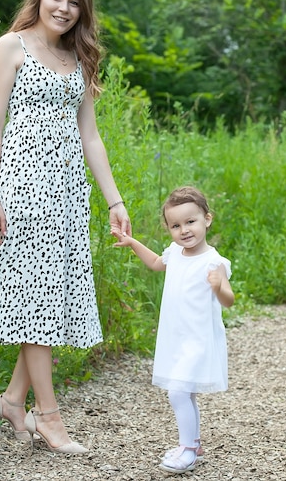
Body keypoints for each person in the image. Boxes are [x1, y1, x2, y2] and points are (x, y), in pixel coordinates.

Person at [0, 0, 131, 454]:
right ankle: (50, 418)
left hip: (67, 198)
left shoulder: (79, 58)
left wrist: (114, 199)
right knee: (37, 303)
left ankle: (12, 399)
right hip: (22, 197)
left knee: (51, 303)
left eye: (74, 2)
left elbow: (91, 135)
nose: (64, 9)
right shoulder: (12, 47)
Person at [112, 186, 234, 474]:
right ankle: (194, 442)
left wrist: (218, 286)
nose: (184, 230)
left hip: (198, 339)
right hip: (176, 337)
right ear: (169, 229)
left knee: (178, 392)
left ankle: (188, 450)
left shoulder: (213, 262)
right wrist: (132, 243)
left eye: (190, 222)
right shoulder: (175, 252)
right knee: (186, 392)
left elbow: (228, 299)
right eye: (175, 225)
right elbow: (156, 263)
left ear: (207, 219)